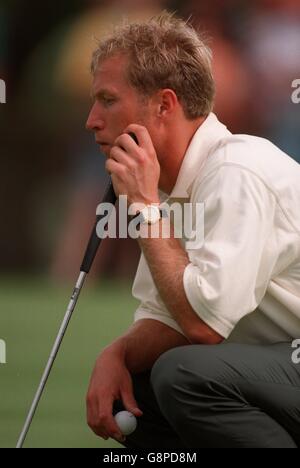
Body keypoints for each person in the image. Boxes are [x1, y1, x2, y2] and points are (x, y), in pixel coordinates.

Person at [85, 12, 300, 448]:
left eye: (108, 100)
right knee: (135, 391)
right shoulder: (167, 185)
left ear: (165, 104)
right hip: (283, 362)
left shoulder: (237, 171)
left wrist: (144, 208)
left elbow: (203, 326)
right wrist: (118, 354)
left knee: (183, 375)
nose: (91, 119)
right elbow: (168, 315)